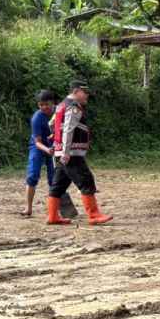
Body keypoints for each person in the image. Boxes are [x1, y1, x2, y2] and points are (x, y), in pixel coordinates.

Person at [46, 80, 113, 226]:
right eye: (85, 92)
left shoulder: (60, 105)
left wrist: (55, 137)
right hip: (71, 153)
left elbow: (51, 124)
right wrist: (66, 150)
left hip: (60, 152)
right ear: (76, 91)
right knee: (86, 180)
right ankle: (94, 215)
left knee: (59, 185)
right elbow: (69, 129)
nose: (87, 95)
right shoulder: (73, 106)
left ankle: (52, 216)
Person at [22, 90, 78, 219]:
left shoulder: (60, 113)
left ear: (53, 103)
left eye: (47, 104)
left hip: (54, 147)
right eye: (41, 105)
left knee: (54, 179)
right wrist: (47, 150)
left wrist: (59, 147)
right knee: (32, 175)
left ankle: (62, 209)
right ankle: (28, 208)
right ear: (38, 105)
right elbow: (37, 142)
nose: (44, 107)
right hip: (38, 147)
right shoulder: (37, 118)